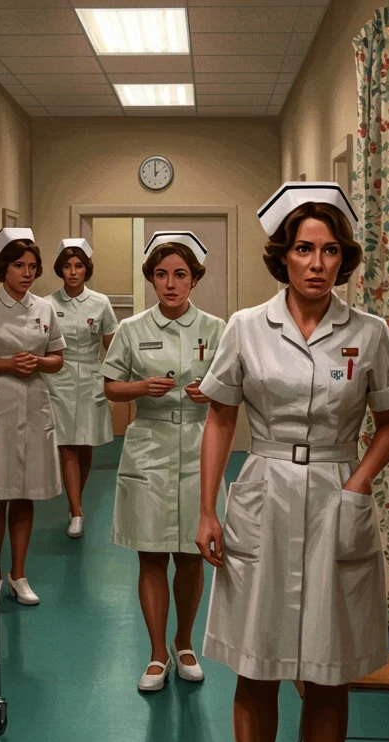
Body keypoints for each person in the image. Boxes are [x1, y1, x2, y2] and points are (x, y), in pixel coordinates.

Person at [195, 182, 389, 742]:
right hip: (263, 491)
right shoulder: (245, 328)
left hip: (335, 495)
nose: (317, 261)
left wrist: (355, 485)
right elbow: (221, 415)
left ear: (343, 259)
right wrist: (206, 508)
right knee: (255, 667)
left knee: (327, 672)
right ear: (282, 256)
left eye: (330, 250)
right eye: (303, 248)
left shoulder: (368, 332)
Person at [101, 232, 226, 692]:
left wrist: (210, 393)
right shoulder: (133, 329)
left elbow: (237, 386)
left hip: (200, 443)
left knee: (191, 554)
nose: (170, 284)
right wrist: (139, 389)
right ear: (151, 279)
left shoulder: (217, 329)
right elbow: (111, 385)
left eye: (180, 274)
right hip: (149, 444)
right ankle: (157, 654)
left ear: (194, 278)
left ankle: (184, 642)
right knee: (150, 553)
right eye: (161, 275)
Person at [0, 228, 65, 606]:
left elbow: (58, 358)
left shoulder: (45, 309)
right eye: (19, 265)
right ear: (3, 268)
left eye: (33, 267)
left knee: (25, 493)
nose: (27, 273)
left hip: (34, 403)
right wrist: (7, 363)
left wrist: (38, 362)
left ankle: (18, 574)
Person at [46, 238, 118, 538]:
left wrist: (116, 379)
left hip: (90, 375)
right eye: (67, 266)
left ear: (86, 270)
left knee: (85, 446)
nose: (72, 272)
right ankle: (76, 510)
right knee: (67, 446)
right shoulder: (48, 303)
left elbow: (112, 347)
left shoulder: (100, 302)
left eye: (78, 266)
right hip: (59, 378)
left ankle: (76, 500)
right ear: (60, 271)